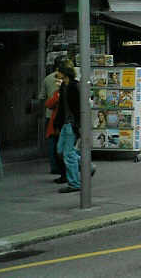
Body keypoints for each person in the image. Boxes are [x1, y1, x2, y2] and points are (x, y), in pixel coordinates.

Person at [55, 63, 93, 193]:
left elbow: (79, 108)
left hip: (72, 124)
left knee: (68, 154)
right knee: (60, 150)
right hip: (65, 124)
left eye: (59, 71)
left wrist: (79, 125)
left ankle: (74, 183)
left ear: (64, 73)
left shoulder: (74, 87)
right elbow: (61, 107)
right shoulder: (63, 87)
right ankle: (87, 166)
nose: (57, 73)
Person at [39, 58, 66, 176]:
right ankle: (64, 167)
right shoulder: (65, 80)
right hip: (62, 116)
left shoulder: (47, 79)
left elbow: (42, 97)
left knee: (52, 141)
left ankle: (54, 166)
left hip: (50, 115)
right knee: (64, 142)